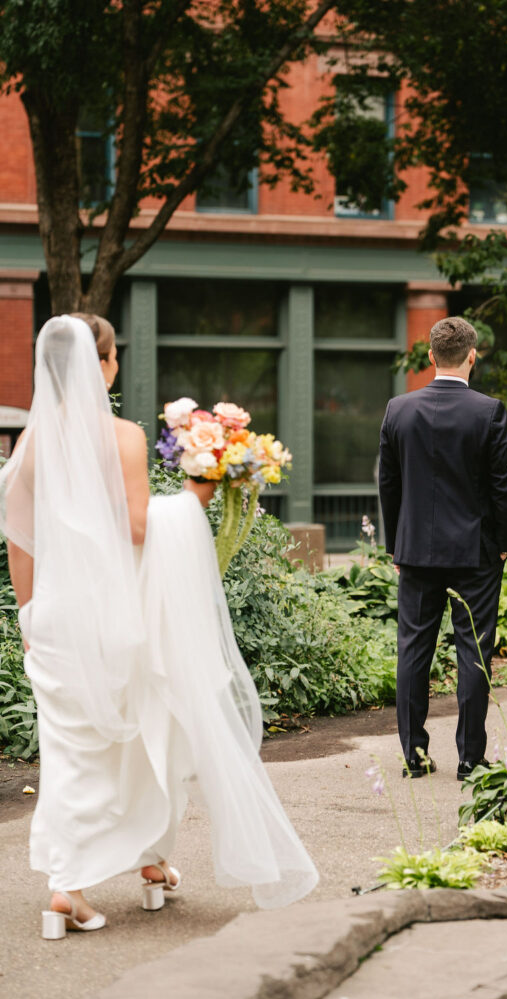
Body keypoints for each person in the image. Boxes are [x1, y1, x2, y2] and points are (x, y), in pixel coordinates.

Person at [0, 314, 317, 939]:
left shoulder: (32, 443)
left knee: (74, 750)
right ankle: (105, 873)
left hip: (58, 617)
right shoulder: (122, 436)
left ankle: (112, 874)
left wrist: (27, 612)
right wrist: (198, 494)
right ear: (105, 364)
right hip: (120, 614)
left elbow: (22, 539)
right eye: (114, 356)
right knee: (150, 734)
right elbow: (141, 528)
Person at [378, 316, 507, 781]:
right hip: (476, 553)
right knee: (474, 652)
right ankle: (469, 759)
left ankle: (414, 757)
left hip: (415, 550)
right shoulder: (489, 411)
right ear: (472, 356)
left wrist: (397, 544)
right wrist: (503, 545)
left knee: (413, 651)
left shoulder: (399, 409)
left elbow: (389, 484)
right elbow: (504, 487)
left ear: (432, 357)